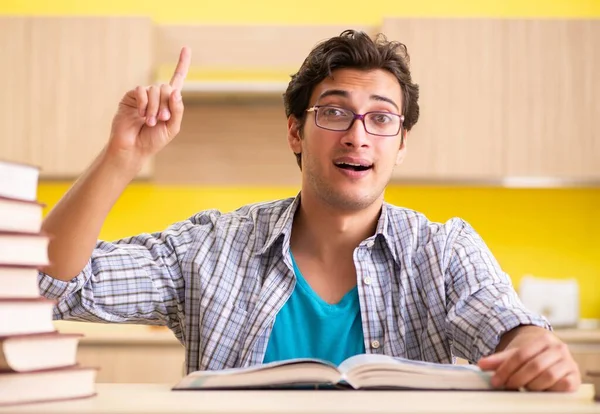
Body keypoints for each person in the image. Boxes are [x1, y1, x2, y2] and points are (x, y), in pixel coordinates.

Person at [38, 30, 580, 392]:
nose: (357, 135)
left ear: (401, 143)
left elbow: (511, 327)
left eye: (381, 118)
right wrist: (122, 156)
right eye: (335, 112)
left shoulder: (442, 252)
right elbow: (48, 286)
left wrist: (535, 348)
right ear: (296, 131)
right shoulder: (211, 248)